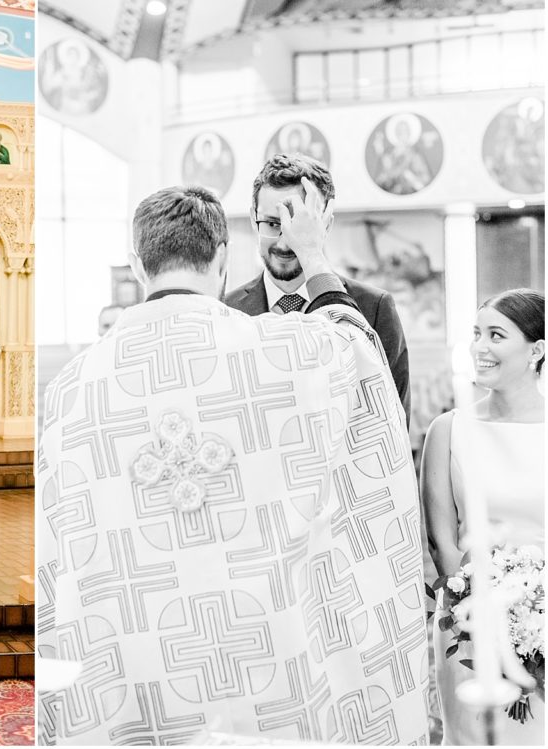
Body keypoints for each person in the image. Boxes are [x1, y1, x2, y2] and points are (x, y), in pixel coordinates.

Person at [38, 184, 427, 745]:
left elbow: (62, 539)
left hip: (134, 656)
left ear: (137, 263)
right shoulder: (279, 352)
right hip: (262, 654)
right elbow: (354, 346)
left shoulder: (76, 385)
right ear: (223, 257)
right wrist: (314, 255)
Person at [421, 289, 544, 746]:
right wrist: (477, 609)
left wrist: (530, 614)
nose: (480, 347)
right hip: (466, 627)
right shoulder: (449, 430)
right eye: (476, 334)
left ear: (537, 350)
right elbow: (441, 541)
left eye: (496, 335)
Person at [226, 153, 411, 424]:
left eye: (299, 224)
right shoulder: (227, 311)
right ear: (254, 220)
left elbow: (393, 424)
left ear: (326, 224)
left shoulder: (374, 308)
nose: (285, 243)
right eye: (272, 224)